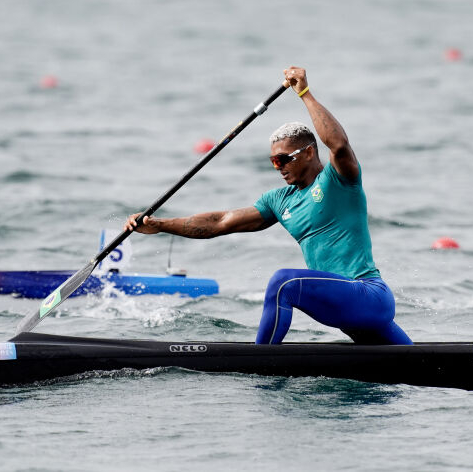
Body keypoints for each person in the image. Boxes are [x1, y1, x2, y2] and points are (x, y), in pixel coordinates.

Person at [125, 66, 412, 345]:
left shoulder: (338, 179)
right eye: (273, 161)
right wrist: (160, 225)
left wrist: (305, 94)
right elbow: (220, 222)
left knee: (283, 283)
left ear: (309, 152)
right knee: (412, 367)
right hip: (345, 312)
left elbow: (338, 144)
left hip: (368, 296)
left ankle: (261, 361)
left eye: (283, 159)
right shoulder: (279, 200)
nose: (278, 167)